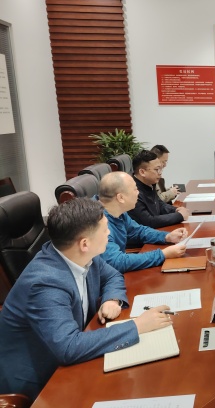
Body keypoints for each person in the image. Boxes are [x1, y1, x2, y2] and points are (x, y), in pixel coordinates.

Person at [0, 198, 174, 400]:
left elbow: (113, 276)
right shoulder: (45, 284)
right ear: (85, 243)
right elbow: (68, 348)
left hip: (73, 351)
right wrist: (138, 326)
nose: (109, 234)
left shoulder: (80, 254)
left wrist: (112, 299)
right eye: (105, 230)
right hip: (40, 380)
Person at [99, 171, 188, 273]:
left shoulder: (118, 212)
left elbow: (139, 231)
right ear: (121, 198)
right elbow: (118, 262)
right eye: (135, 189)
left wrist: (167, 237)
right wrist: (162, 254)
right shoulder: (99, 223)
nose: (138, 193)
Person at [128, 149, 189, 228]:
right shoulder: (132, 192)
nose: (160, 173)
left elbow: (159, 204)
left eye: (161, 169)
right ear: (142, 172)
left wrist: (176, 210)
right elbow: (148, 221)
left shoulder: (149, 183)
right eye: (157, 169)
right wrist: (179, 216)